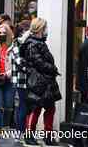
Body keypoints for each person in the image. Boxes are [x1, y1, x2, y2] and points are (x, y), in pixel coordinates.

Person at [19, 18, 61, 146]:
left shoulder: (39, 43)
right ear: (40, 29)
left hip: (45, 82)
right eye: (45, 28)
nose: (47, 31)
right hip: (38, 82)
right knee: (35, 109)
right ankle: (29, 135)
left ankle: (48, 136)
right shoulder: (33, 44)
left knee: (50, 108)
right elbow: (39, 63)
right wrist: (53, 69)